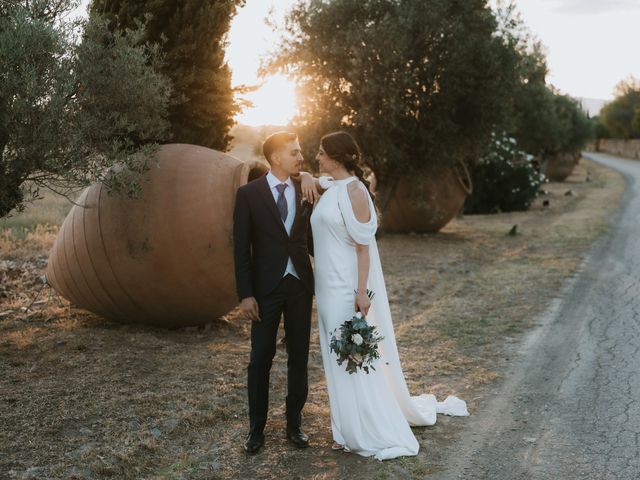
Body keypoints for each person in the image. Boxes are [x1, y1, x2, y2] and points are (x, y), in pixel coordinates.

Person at [304, 131, 468, 460]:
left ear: (336, 158)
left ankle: (365, 427)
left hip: (345, 288)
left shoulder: (356, 192)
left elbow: (364, 250)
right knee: (335, 358)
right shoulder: (331, 185)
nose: (317, 157)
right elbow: (311, 179)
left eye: (321, 153)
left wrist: (362, 293)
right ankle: (344, 426)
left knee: (351, 356)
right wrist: (307, 175)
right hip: (324, 288)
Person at [233, 131, 314, 455]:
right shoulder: (248, 195)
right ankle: (256, 430)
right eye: (294, 153)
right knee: (260, 359)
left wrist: (307, 175)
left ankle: (294, 425)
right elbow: (241, 250)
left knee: (299, 358)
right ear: (277, 157)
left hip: (299, 286)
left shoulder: (305, 188)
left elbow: (338, 181)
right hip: (264, 290)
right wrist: (245, 294)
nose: (300, 157)